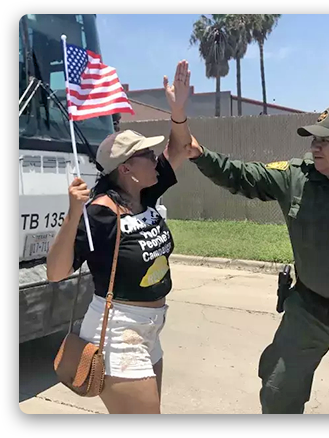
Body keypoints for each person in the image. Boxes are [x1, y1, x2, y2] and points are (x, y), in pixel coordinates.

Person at [169, 68, 329, 414]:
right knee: (278, 390)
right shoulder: (295, 178)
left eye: (324, 140)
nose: (314, 146)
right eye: (312, 140)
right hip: (308, 310)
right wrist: (200, 154)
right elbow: (241, 175)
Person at [46, 61, 193, 414]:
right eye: (146, 154)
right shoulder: (100, 212)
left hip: (150, 330)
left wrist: (177, 111)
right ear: (125, 169)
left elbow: (180, 147)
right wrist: (72, 214)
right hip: (117, 334)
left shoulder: (146, 193)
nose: (155, 157)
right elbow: (55, 272)